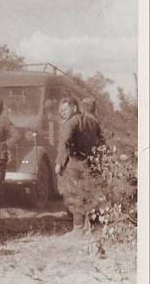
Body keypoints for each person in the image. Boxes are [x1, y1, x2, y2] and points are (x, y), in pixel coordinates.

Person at [54, 97, 105, 231]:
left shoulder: (71, 122)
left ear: (75, 108)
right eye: (61, 110)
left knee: (74, 194)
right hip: (90, 162)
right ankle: (93, 225)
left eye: (65, 109)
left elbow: (64, 142)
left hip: (75, 162)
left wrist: (59, 162)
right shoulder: (93, 122)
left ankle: (77, 228)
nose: (63, 112)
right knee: (90, 193)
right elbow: (102, 142)